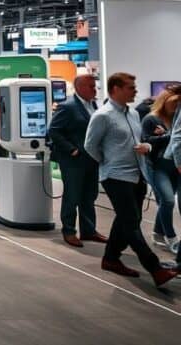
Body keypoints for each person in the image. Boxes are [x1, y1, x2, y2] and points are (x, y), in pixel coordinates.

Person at [85, 72, 176, 286]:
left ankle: (110, 258)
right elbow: (90, 146)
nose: (135, 90)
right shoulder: (102, 116)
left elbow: (142, 141)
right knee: (131, 224)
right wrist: (108, 162)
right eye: (130, 87)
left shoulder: (134, 114)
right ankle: (155, 268)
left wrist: (148, 147)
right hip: (115, 176)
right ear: (115, 89)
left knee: (127, 220)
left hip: (138, 175)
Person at [49, 74, 105, 248]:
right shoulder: (68, 107)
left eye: (94, 86)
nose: (94, 90)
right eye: (91, 86)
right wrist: (71, 149)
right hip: (74, 160)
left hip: (91, 159)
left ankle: (89, 230)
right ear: (79, 87)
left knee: (89, 196)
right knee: (72, 196)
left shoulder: (93, 105)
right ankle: (69, 231)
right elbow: (54, 131)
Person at [143, 86, 181, 253]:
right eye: (174, 102)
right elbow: (146, 142)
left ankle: (158, 232)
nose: (177, 105)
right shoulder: (151, 119)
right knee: (167, 201)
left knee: (166, 202)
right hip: (158, 167)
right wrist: (166, 136)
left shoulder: (176, 118)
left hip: (174, 167)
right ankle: (171, 237)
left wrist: (165, 135)